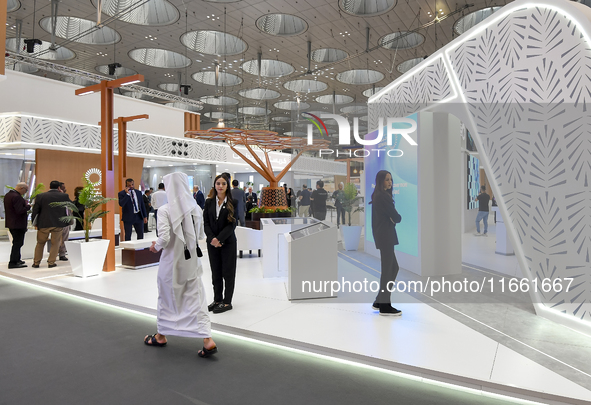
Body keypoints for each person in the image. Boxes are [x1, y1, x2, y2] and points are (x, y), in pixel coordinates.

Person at [146, 172, 217, 358]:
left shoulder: (164, 210)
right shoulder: (197, 209)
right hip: (191, 261)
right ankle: (207, 339)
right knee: (196, 297)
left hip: (171, 263)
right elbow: (201, 236)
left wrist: (155, 247)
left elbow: (164, 238)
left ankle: (161, 335)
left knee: (167, 298)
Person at [203, 174, 238, 314]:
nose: (220, 186)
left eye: (223, 183)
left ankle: (227, 302)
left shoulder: (233, 202)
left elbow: (232, 225)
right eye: (218, 183)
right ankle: (217, 299)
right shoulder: (209, 202)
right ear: (214, 185)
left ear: (227, 185)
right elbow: (205, 223)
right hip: (212, 243)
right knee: (215, 272)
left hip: (228, 242)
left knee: (228, 273)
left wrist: (220, 239)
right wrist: (212, 239)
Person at [370, 170, 402, 316]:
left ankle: (379, 300)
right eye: (387, 179)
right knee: (388, 270)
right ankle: (384, 305)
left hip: (383, 236)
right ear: (380, 181)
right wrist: (394, 217)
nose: (390, 182)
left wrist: (393, 218)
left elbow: (393, 217)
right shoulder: (383, 197)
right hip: (385, 236)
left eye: (391, 179)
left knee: (393, 268)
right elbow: (397, 217)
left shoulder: (379, 196)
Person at [31, 180, 70, 269]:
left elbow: (35, 211)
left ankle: (36, 262)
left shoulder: (40, 196)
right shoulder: (64, 196)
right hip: (58, 223)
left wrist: (35, 223)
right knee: (55, 243)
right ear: (59, 188)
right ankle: (51, 262)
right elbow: (70, 206)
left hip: (43, 223)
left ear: (49, 187)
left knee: (40, 243)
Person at [5, 182, 31, 269]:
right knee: (17, 243)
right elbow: (20, 210)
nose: (25, 192)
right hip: (18, 224)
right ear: (21, 188)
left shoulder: (8, 195)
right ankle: (13, 262)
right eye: (26, 190)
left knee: (17, 243)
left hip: (11, 223)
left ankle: (17, 259)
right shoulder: (17, 197)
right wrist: (28, 207)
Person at [57, 182, 72, 261]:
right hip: (57, 221)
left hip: (66, 220)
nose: (65, 189)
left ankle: (62, 254)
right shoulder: (54, 197)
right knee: (57, 238)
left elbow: (71, 204)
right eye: (63, 188)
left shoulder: (66, 196)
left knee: (65, 238)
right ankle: (55, 253)